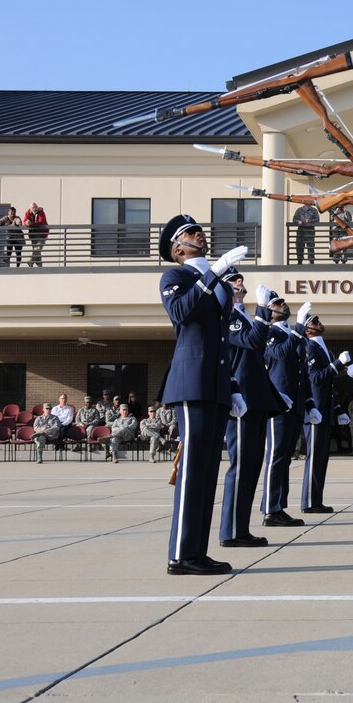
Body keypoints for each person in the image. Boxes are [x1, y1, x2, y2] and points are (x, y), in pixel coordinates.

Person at [158, 212, 247, 575]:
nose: (201, 235)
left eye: (199, 231)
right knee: (193, 470)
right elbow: (181, 312)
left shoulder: (217, 284)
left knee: (208, 471)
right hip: (191, 384)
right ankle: (180, 554)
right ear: (179, 248)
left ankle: (196, 550)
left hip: (214, 386)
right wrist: (214, 273)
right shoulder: (175, 275)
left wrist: (234, 387)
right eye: (191, 233)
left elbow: (224, 342)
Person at [218, 270, 287, 548]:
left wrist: (275, 395)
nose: (240, 284)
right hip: (241, 403)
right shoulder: (230, 317)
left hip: (256, 401)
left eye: (241, 281)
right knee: (241, 465)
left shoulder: (244, 317)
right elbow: (252, 341)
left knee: (252, 467)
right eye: (234, 281)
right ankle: (231, 531)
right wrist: (261, 311)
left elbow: (259, 364)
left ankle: (241, 529)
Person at [261, 296, 313, 528]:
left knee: (285, 457)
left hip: (295, 404)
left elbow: (302, 374)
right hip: (279, 403)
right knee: (275, 456)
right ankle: (270, 509)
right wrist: (299, 329)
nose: (283, 305)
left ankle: (279, 507)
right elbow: (280, 354)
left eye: (283, 302)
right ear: (268, 312)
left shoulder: (293, 335)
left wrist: (308, 404)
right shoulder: (270, 334)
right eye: (277, 303)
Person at [297, 304, 352, 513]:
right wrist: (337, 364)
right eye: (314, 321)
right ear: (307, 329)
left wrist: (338, 410)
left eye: (318, 320)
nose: (319, 323)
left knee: (322, 457)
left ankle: (316, 500)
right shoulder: (310, 347)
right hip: (316, 411)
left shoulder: (324, 348)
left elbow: (330, 384)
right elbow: (316, 378)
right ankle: (309, 502)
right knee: (314, 457)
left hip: (326, 410)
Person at [23, 202, 49, 267]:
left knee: (37, 248)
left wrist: (31, 224)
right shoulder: (28, 213)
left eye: (35, 207)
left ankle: (31, 261)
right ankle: (39, 265)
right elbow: (24, 221)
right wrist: (27, 223)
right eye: (33, 208)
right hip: (33, 234)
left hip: (42, 234)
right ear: (30, 209)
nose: (34, 209)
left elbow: (41, 221)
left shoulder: (41, 212)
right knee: (37, 250)